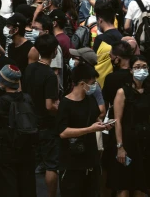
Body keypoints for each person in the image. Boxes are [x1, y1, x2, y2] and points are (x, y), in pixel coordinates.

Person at [58, 62, 109, 197]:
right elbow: (63, 132)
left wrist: (102, 124)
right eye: (92, 83)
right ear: (81, 83)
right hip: (72, 161)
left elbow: (94, 119)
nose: (94, 86)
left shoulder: (90, 99)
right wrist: (89, 129)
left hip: (91, 159)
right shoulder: (65, 103)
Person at [0, 64, 35, 197]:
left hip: (5, 151)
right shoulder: (27, 99)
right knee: (25, 184)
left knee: (5, 187)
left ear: (3, 82)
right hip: (26, 149)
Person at [23, 33, 60, 197]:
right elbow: (49, 105)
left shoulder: (29, 68)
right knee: (51, 165)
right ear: (54, 52)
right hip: (46, 125)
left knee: (30, 163)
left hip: (28, 121)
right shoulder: (50, 75)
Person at [112, 55, 150, 196]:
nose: (141, 70)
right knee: (125, 185)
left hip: (145, 140)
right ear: (131, 70)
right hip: (128, 141)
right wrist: (120, 147)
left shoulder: (148, 91)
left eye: (144, 67)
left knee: (143, 185)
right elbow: (118, 121)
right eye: (137, 67)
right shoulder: (123, 92)